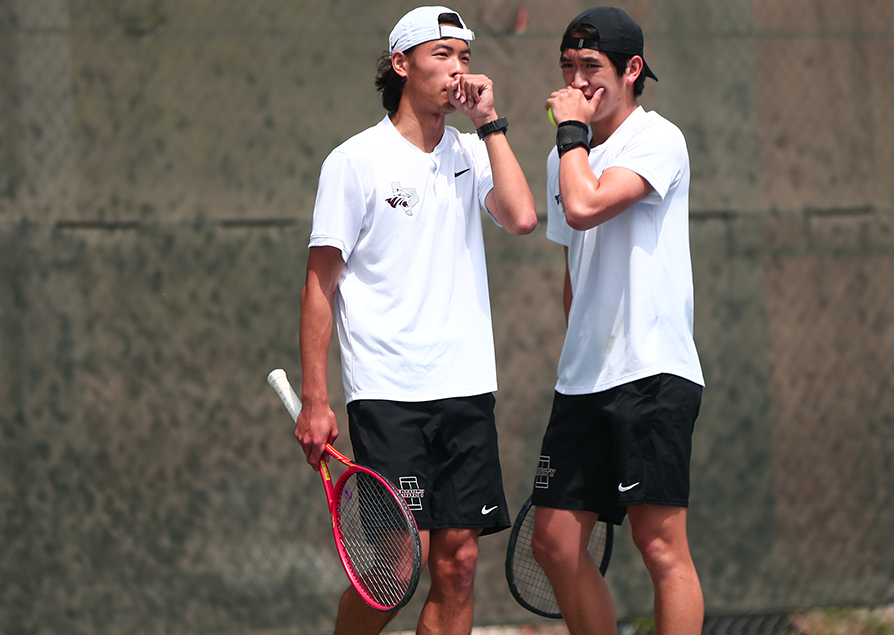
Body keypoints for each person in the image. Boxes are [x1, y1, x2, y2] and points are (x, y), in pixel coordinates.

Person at [293, 5, 536, 635]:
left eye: (465, 57)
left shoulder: (473, 148)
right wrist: (316, 399)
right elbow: (321, 283)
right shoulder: (354, 161)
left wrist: (491, 123)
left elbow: (520, 217)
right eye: (442, 55)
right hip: (388, 395)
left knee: (457, 563)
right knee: (394, 572)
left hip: (466, 390)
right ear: (402, 65)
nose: (458, 70)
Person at [530, 7, 705, 635]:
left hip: (652, 373)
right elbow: (576, 267)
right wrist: (576, 350)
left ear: (632, 71)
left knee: (661, 548)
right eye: (568, 68)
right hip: (583, 381)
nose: (577, 83)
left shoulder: (660, 138)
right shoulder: (564, 155)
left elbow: (585, 208)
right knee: (552, 542)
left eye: (592, 68)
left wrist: (570, 133)